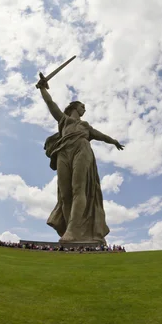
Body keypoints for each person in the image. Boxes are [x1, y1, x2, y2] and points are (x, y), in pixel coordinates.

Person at [38, 80, 124, 243]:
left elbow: (102, 136)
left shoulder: (86, 126)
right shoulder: (64, 120)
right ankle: (70, 229)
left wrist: (114, 141)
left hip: (81, 149)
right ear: (74, 107)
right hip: (63, 151)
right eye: (82, 106)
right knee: (65, 194)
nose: (84, 109)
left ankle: (72, 231)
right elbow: (50, 103)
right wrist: (42, 88)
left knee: (79, 189)